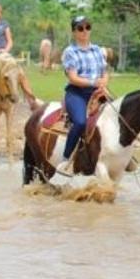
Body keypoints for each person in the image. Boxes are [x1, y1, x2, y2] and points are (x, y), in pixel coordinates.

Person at [55, 15, 109, 176]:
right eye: (80, 28)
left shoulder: (98, 50)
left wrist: (103, 84)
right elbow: (73, 78)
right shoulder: (70, 52)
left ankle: (123, 157)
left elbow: (105, 73)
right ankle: (65, 160)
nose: (84, 31)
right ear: (74, 32)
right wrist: (94, 83)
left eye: (87, 27)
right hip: (77, 93)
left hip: (97, 92)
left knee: (121, 116)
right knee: (79, 122)